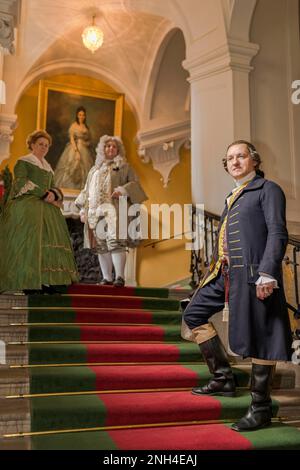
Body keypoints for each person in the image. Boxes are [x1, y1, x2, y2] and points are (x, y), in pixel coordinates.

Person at [184, 140, 292, 432]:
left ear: (254, 161)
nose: (234, 161)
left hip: (256, 275)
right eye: (230, 157)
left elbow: (277, 232)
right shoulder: (234, 196)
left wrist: (268, 272)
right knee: (193, 314)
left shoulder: (268, 189)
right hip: (226, 274)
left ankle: (260, 408)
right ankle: (222, 376)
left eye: (241, 156)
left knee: (262, 335)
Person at [0, 130, 79, 293]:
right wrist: (44, 194)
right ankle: (29, 283)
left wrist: (55, 194)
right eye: (40, 144)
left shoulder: (48, 167)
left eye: (46, 145)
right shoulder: (24, 161)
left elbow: (55, 184)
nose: (44, 147)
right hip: (28, 206)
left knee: (48, 244)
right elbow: (21, 182)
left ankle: (49, 281)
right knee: (30, 244)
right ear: (32, 145)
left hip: (48, 209)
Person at [75, 135, 147, 287]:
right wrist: (82, 209)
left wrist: (123, 190)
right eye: (108, 146)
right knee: (101, 245)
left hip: (115, 211)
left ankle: (119, 277)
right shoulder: (94, 170)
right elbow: (86, 191)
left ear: (118, 150)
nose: (111, 148)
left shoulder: (124, 167)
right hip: (96, 212)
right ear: (102, 149)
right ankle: (107, 278)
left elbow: (135, 183)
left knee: (116, 242)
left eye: (114, 146)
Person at [54, 106, 95, 189]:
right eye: (80, 115)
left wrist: (86, 143)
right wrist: (76, 151)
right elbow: (72, 139)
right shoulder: (74, 125)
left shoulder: (86, 127)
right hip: (75, 148)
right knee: (73, 165)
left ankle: (82, 189)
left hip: (84, 149)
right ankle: (69, 188)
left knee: (85, 168)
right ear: (77, 115)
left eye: (83, 115)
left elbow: (89, 139)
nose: (82, 117)